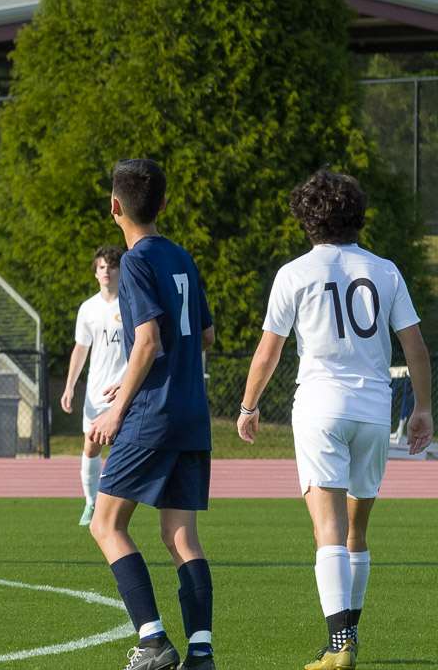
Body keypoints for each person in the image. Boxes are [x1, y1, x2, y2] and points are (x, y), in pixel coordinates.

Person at [237, 170, 433, 670]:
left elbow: (267, 353)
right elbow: (415, 346)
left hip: (320, 409)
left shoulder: (294, 273)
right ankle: (349, 639)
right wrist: (423, 410)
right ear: (358, 215)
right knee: (355, 533)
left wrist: (248, 406)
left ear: (306, 218)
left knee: (327, 531)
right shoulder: (385, 270)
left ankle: (338, 648)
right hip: (372, 410)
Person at [87, 159, 216, 670]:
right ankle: (201, 653)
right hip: (192, 414)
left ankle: (154, 640)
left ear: (115, 206)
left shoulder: (136, 260)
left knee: (105, 524)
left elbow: (148, 340)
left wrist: (118, 408)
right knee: (181, 536)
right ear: (163, 204)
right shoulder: (181, 256)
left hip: (153, 415)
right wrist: (144, 373)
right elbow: (204, 336)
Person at [61, 245, 127, 527]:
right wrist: (69, 386)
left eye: (111, 266)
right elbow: (80, 349)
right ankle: (90, 503)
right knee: (91, 448)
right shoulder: (88, 308)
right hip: (95, 392)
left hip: (124, 391)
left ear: (120, 270)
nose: (106, 271)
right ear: (95, 272)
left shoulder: (131, 302)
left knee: (123, 450)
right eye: (101, 266)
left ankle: (114, 507)